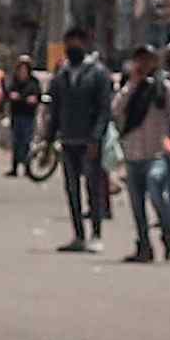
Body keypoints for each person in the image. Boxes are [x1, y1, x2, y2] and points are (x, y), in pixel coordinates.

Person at [112, 41, 170, 266]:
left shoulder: (164, 88)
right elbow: (115, 110)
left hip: (157, 154)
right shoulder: (129, 87)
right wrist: (133, 84)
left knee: (155, 187)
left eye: (147, 59)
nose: (143, 64)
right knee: (136, 204)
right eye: (139, 59)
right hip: (133, 154)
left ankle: (167, 233)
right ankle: (143, 245)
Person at [45, 30, 117, 253]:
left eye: (76, 43)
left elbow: (104, 110)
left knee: (92, 188)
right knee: (71, 189)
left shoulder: (98, 73)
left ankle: (96, 234)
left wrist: (96, 138)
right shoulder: (62, 75)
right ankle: (78, 235)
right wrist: (48, 139)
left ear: (86, 44)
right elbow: (54, 110)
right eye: (69, 43)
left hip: (89, 141)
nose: (72, 47)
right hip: (68, 140)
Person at [1, 51, 45, 184]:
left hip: (28, 115)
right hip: (17, 114)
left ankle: (27, 167)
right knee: (16, 141)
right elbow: (8, 93)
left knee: (26, 141)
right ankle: (14, 168)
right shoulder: (14, 81)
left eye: (25, 67)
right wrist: (12, 96)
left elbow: (39, 95)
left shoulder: (34, 82)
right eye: (21, 67)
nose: (23, 70)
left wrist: (34, 99)